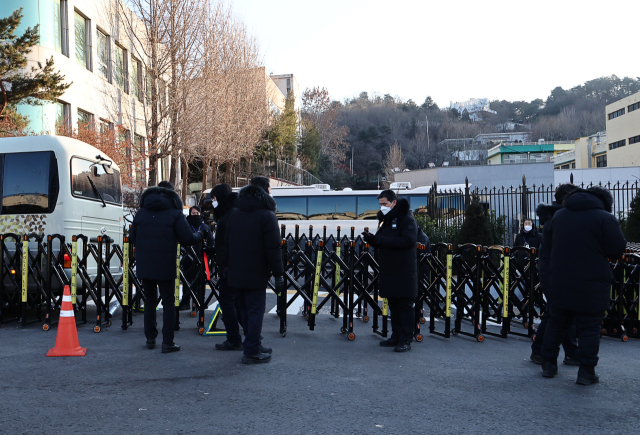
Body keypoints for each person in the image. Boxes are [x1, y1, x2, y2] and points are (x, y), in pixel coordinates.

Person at [539, 186, 626, 385]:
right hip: (592, 283)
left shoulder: (559, 217)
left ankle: (548, 364)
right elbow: (616, 250)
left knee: (557, 322)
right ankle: (586, 371)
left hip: (560, 279)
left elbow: (548, 249)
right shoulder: (605, 218)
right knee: (589, 328)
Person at [129, 181, 204, 353]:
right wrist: (200, 234)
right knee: (169, 302)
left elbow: (132, 237)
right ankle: (167, 341)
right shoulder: (175, 214)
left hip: (145, 263)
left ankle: (150, 338)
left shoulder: (141, 213)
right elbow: (187, 238)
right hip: (166, 263)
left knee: (149, 300)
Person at [222, 176, 285, 364]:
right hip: (257, 270)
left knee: (243, 308)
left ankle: (253, 343)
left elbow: (227, 245)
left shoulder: (235, 214)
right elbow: (273, 249)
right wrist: (278, 274)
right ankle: (251, 349)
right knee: (256, 310)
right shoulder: (267, 216)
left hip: (235, 270)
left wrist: (225, 267)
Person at [362, 190, 418, 352]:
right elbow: (384, 240)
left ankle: (406, 339)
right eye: (380, 204)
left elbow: (408, 241)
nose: (382, 207)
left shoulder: (406, 219)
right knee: (393, 304)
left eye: (385, 204)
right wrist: (373, 240)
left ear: (394, 202)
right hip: (390, 268)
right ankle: (396, 336)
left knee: (405, 305)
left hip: (403, 269)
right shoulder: (386, 220)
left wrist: (380, 240)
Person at [530, 184, 579, 365]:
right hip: (555, 273)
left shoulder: (554, 218)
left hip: (551, 271)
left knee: (557, 312)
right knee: (557, 313)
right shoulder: (559, 219)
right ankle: (565, 351)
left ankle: (547, 351)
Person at [207, 184, 245, 351]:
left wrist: (219, 257)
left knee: (227, 302)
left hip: (228, 266)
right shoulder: (237, 212)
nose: (213, 202)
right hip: (237, 265)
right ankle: (252, 335)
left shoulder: (226, 216)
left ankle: (234, 338)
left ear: (220, 198)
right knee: (238, 302)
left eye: (214, 199)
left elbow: (226, 244)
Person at [180, 205, 214, 311]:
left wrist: (208, 253)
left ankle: (200, 302)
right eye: (193, 213)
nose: (195, 215)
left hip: (201, 257)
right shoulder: (186, 225)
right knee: (186, 281)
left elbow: (211, 240)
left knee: (201, 281)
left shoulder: (204, 226)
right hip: (187, 257)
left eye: (197, 213)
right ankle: (185, 302)